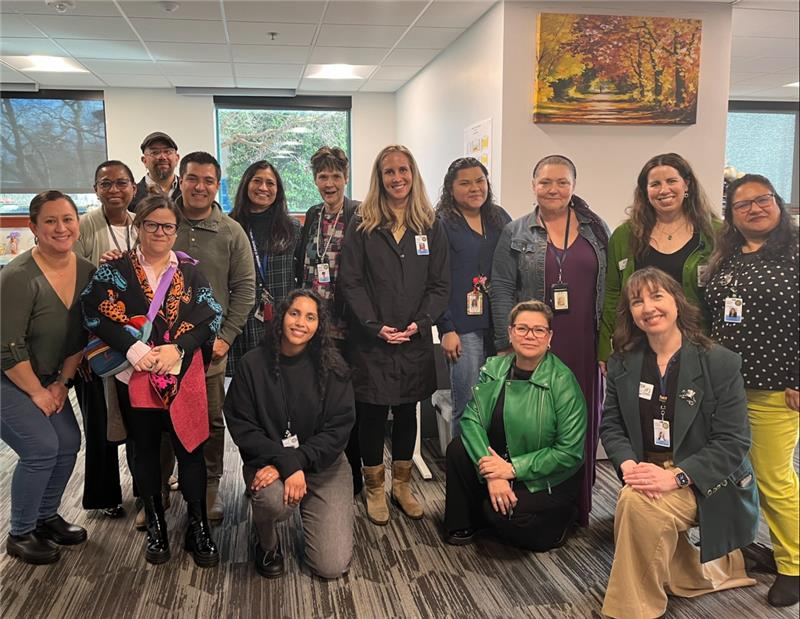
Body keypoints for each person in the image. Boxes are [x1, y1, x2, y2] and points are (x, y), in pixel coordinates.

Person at [600, 267, 759, 619]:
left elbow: (733, 442)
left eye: (657, 296)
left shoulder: (718, 362)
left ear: (677, 301)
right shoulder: (622, 362)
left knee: (635, 503)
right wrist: (629, 466)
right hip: (646, 470)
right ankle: (697, 572)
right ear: (630, 313)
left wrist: (676, 477)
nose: (648, 308)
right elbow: (611, 425)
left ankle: (631, 611)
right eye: (637, 301)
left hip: (708, 479)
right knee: (635, 499)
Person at [81, 192, 223, 567]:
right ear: (138, 226)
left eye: (168, 226)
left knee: (191, 449)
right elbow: (93, 311)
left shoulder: (191, 272)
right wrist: (131, 348)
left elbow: (211, 316)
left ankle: (198, 525)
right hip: (136, 375)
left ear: (177, 231)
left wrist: (178, 348)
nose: (160, 232)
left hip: (183, 374)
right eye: (152, 225)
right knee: (143, 449)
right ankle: (156, 522)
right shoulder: (115, 270)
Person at [490, 154, 608, 527]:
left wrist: (609, 345)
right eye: (545, 182)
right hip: (535, 342)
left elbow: (611, 288)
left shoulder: (596, 229)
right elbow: (502, 288)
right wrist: (505, 342)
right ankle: (541, 502)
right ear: (533, 185)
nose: (553, 189)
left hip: (585, 342)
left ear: (573, 186)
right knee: (540, 422)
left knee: (580, 422)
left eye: (561, 182)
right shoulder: (516, 232)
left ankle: (578, 504)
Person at [339, 144, 450, 525]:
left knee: (407, 411)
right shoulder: (362, 222)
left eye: (403, 170)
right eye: (389, 171)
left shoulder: (430, 224)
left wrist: (422, 322)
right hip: (372, 339)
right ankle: (374, 489)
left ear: (413, 174)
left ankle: (402, 486)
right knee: (371, 414)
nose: (397, 177)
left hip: (414, 337)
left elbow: (440, 284)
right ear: (379, 177)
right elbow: (350, 281)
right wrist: (373, 325)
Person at [705, 174, 799, 607]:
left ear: (777, 202)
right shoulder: (726, 256)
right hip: (727, 386)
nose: (754, 209)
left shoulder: (794, 253)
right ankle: (751, 545)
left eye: (762, 199)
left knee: (775, 479)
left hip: (775, 389)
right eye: (743, 204)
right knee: (733, 474)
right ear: (732, 215)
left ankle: (794, 564)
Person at [223, 289, 355, 579]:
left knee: (331, 567)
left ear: (319, 325)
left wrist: (297, 461)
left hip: (324, 464)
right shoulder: (252, 365)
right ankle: (266, 542)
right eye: (294, 313)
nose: (300, 323)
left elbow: (338, 429)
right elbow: (243, 426)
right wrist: (285, 462)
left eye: (310, 317)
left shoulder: (333, 367)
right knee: (270, 500)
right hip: (269, 462)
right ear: (282, 316)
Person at [444, 300, 586, 550]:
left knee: (505, 515)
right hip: (501, 463)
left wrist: (512, 469)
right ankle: (466, 521)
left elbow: (569, 452)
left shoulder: (563, 381)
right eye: (522, 328)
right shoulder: (494, 368)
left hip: (547, 477)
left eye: (539, 330)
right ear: (510, 333)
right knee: (458, 448)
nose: (530, 336)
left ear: (549, 337)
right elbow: (471, 420)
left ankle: (562, 519)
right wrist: (494, 474)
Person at [1, 191, 94, 564]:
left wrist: (61, 384)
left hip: (50, 377)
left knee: (68, 441)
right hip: (9, 377)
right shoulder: (17, 277)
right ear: (33, 227)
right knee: (40, 447)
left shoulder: (86, 271)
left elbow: (80, 336)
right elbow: (7, 347)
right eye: (50, 221)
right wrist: (37, 392)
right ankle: (20, 532)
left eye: (68, 219)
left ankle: (45, 516)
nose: (61, 228)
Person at [173, 151, 256, 524]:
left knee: (209, 419)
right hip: (160, 347)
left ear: (217, 185)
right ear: (180, 180)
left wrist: (227, 336)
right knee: (161, 421)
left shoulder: (231, 231)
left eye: (208, 180)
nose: (200, 186)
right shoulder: (161, 222)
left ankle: (209, 486)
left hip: (209, 347)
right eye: (193, 178)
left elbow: (245, 289)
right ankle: (157, 490)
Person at [599, 152, 720, 366]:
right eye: (655, 184)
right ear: (645, 191)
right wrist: (605, 348)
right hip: (637, 346)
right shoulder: (624, 236)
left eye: (671, 181)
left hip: (697, 345)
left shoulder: (715, 233)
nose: (664, 190)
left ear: (687, 185)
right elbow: (613, 295)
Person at [74, 160, 141, 521]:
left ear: (133, 187)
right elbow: (72, 278)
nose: (114, 190)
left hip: (136, 337)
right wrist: (99, 268)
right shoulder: (85, 225)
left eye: (121, 183)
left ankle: (146, 490)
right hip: (95, 339)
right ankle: (104, 495)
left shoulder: (141, 224)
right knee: (99, 423)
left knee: (138, 419)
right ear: (96, 189)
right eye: (106, 184)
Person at [295, 146, 362, 492]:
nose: (329, 183)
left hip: (349, 325)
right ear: (314, 179)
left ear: (346, 177)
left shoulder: (359, 213)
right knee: (316, 397)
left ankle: (354, 476)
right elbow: (303, 266)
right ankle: (318, 467)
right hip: (315, 325)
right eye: (323, 176)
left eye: (336, 175)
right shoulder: (312, 214)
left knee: (346, 400)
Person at [435, 157, 511, 438]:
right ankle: (464, 463)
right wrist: (446, 328)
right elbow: (436, 279)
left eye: (480, 181)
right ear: (451, 188)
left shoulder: (499, 218)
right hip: (462, 328)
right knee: (467, 405)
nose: (475, 188)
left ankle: (493, 461)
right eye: (465, 183)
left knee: (499, 403)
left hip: (499, 325)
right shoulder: (442, 223)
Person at [227, 160, 301, 378]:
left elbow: (299, 273)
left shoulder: (292, 228)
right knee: (245, 380)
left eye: (270, 183)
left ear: (278, 190)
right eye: (257, 181)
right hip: (241, 319)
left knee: (281, 379)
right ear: (246, 185)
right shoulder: (230, 226)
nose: (263, 188)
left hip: (282, 317)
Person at [129, 131, 181, 211]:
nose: (162, 157)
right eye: (155, 152)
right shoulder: (132, 195)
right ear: (144, 160)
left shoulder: (188, 191)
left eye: (167, 152)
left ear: (177, 158)